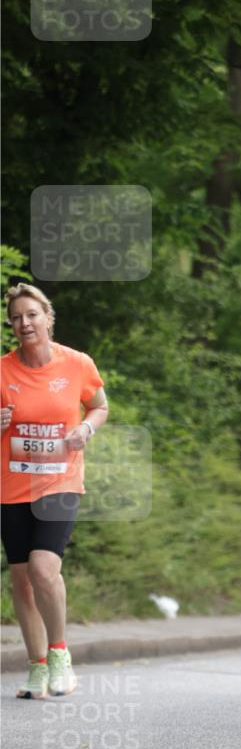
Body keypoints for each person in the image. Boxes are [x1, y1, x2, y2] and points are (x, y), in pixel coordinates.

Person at [1, 283, 108, 699]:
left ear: (48, 316)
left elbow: (99, 405)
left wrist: (85, 427)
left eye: (31, 315)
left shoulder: (77, 364)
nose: (24, 323)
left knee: (44, 569)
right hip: (12, 485)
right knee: (23, 581)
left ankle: (60, 653)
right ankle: (36, 667)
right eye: (16, 318)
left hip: (60, 482)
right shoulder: (3, 369)